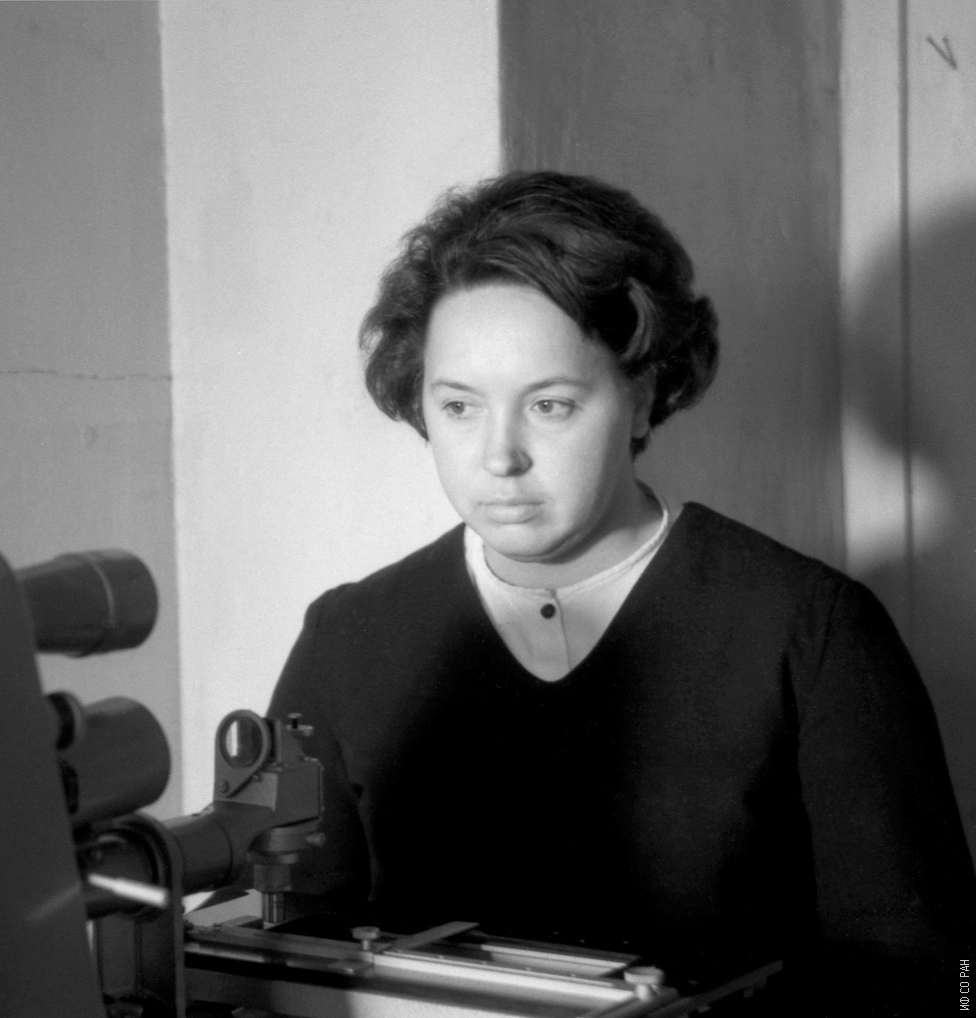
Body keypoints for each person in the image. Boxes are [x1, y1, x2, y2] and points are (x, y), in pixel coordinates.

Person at [267, 170, 974, 1012]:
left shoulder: (811, 629)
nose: (499, 457)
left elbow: (942, 976)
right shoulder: (348, 637)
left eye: (550, 406)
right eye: (459, 407)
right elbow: (272, 950)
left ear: (642, 396)